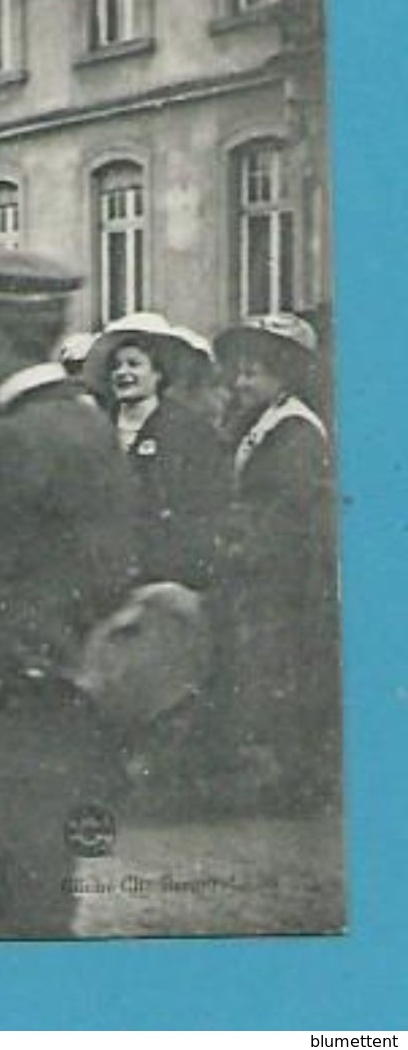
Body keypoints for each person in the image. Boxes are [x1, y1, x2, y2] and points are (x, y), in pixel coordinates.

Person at [0, 246, 138, 939]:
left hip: (7, 719)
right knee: (41, 903)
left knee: (14, 920)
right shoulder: (85, 421)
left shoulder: (13, 439)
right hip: (66, 712)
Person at [210, 313, 339, 812]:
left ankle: (302, 779)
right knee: (274, 666)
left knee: (290, 665)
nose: (241, 382)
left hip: (291, 572)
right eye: (240, 372)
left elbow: (286, 511)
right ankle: (291, 774)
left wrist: (242, 544)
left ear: (283, 375)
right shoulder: (263, 423)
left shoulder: (295, 431)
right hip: (269, 567)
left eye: (253, 373)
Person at [82, 313, 230, 591]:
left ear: (159, 373)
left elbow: (205, 507)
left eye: (134, 364)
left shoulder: (189, 430)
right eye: (116, 366)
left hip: (167, 575)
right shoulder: (97, 426)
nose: (123, 373)